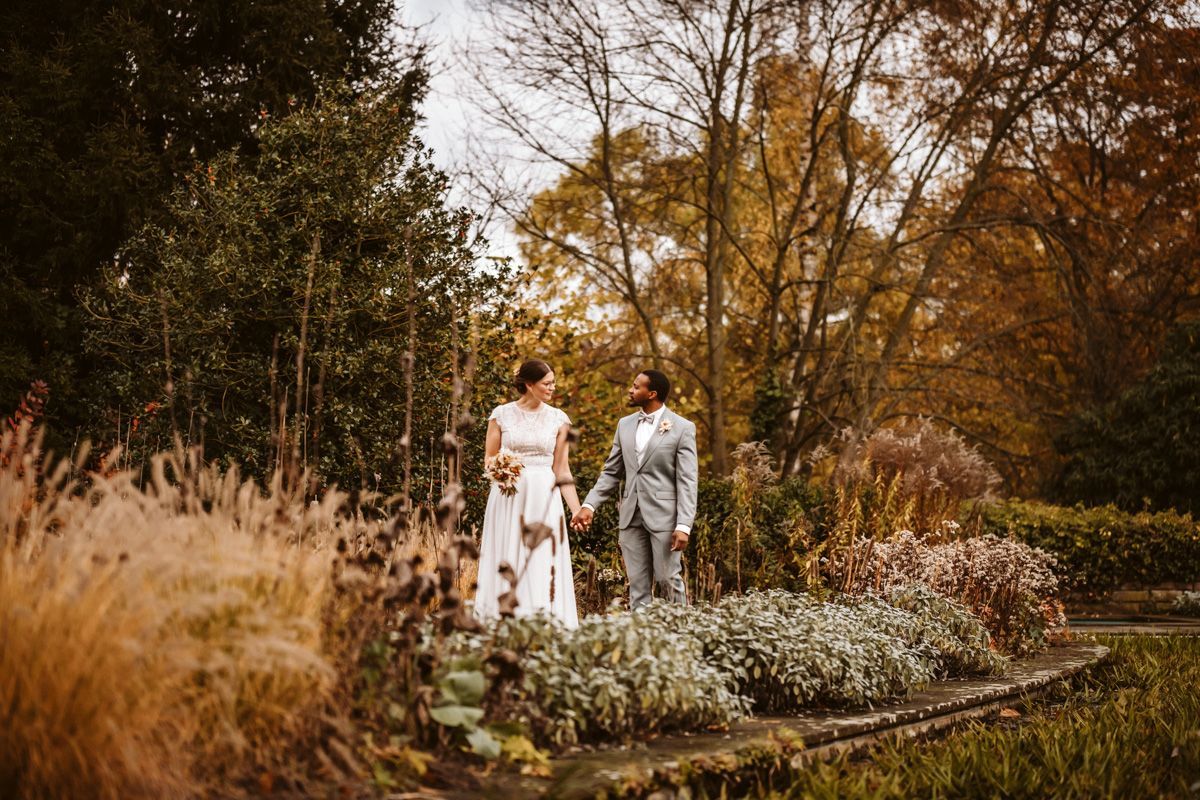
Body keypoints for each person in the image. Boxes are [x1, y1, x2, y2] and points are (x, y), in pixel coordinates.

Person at [572, 369, 697, 609]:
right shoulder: (624, 425)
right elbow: (611, 472)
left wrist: (683, 526)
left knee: (668, 579)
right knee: (637, 585)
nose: (630, 390)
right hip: (630, 516)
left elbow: (687, 480)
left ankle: (682, 637)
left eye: (636, 386)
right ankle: (641, 639)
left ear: (652, 393)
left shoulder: (682, 428)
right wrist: (589, 505)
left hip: (665, 518)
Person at [475, 359, 580, 627]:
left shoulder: (559, 419)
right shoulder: (501, 415)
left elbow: (562, 468)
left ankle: (543, 621)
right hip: (507, 495)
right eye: (547, 383)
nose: (552, 388)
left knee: (543, 559)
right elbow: (489, 458)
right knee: (507, 554)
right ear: (529, 384)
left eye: (553, 383)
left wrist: (577, 509)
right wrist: (502, 470)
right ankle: (501, 621)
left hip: (544, 497)